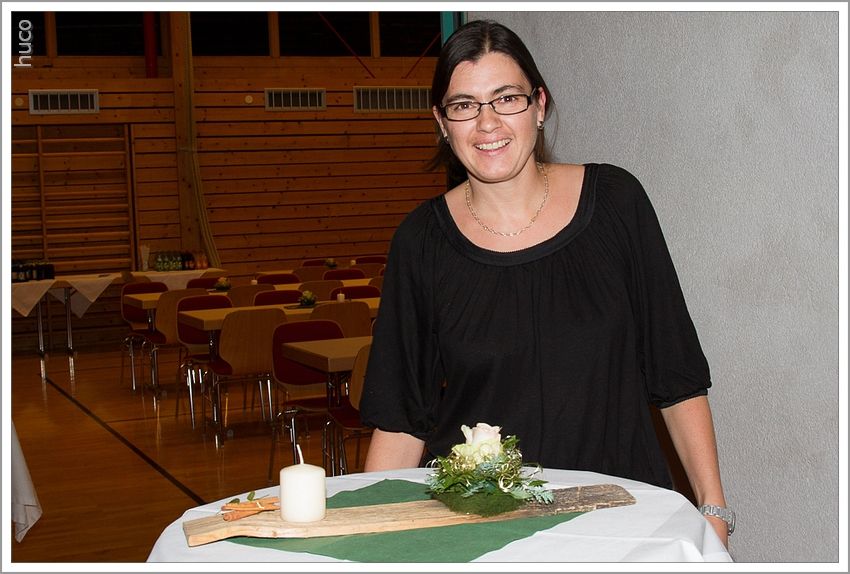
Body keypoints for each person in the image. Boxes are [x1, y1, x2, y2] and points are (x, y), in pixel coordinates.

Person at [359, 19, 733, 546]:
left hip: (623, 524)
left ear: (539, 104)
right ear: (442, 123)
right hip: (479, 533)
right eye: (464, 105)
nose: (487, 123)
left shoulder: (617, 203)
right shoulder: (421, 242)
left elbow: (677, 377)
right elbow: (402, 421)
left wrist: (713, 510)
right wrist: (371, 537)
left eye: (506, 98)